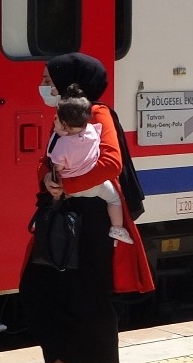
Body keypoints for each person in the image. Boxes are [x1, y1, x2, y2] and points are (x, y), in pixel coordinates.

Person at [19, 53, 145, 363]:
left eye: (49, 79)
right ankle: (62, 361)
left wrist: (66, 187)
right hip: (64, 212)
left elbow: (110, 163)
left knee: (89, 293)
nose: (44, 85)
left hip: (91, 217)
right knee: (41, 285)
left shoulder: (96, 113)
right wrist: (46, 177)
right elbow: (50, 160)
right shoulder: (67, 111)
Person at [47, 83, 133, 245]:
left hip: (71, 190)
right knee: (114, 199)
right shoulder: (93, 130)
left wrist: (62, 182)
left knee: (57, 205)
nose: (54, 120)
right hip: (96, 187)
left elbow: (56, 166)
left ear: (65, 125)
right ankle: (117, 228)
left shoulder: (61, 145)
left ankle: (47, 221)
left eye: (57, 119)